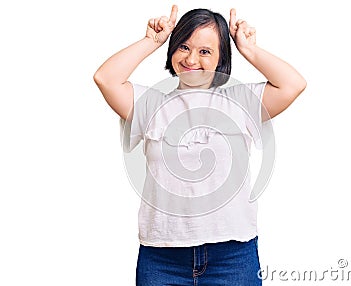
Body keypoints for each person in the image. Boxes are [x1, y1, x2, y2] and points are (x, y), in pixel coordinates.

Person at [94, 5, 306, 285]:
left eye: (205, 51)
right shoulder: (150, 105)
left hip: (232, 257)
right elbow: (105, 78)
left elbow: (292, 84)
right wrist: (152, 41)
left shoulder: (240, 102)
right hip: (162, 258)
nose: (191, 58)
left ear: (221, 58)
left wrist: (249, 49)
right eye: (183, 46)